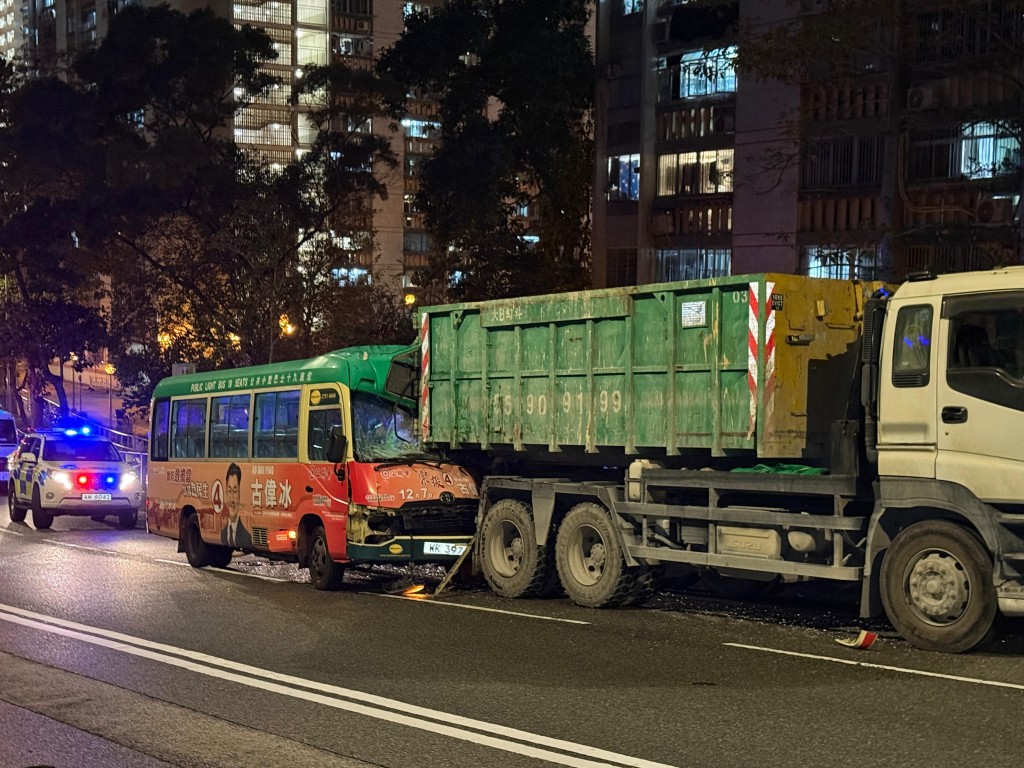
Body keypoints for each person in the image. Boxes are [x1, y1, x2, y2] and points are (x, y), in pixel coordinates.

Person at [220, 462, 252, 549]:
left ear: (240, 493)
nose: (232, 499)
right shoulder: (223, 535)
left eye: (235, 491)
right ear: (226, 492)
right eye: (229, 491)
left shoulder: (247, 537)